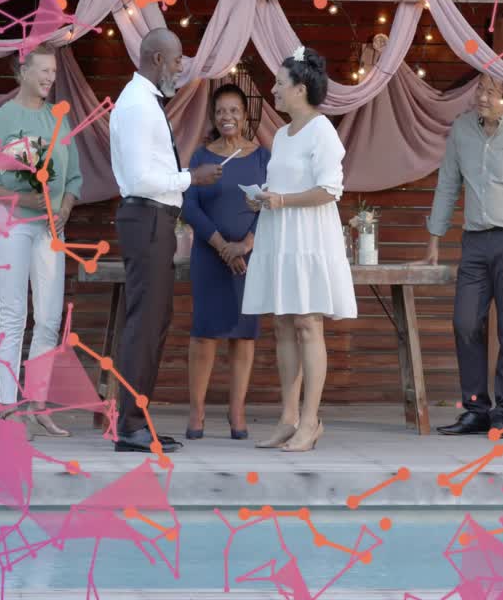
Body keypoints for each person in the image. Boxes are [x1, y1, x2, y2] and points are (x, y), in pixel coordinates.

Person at [418, 72, 503, 437]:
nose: (482, 96)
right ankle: (476, 409)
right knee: (465, 322)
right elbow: (448, 183)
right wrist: (434, 238)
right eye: (480, 89)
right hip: (475, 240)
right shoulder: (462, 130)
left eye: (491, 92)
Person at [109, 27, 223, 454]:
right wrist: (190, 178)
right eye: (177, 60)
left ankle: (137, 420)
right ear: (157, 59)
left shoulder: (143, 102)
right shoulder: (138, 105)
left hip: (154, 220)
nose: (180, 67)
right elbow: (140, 177)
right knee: (144, 323)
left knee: (154, 322)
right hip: (145, 218)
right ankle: (131, 426)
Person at [242, 46, 356, 453]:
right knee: (283, 324)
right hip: (281, 235)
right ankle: (288, 418)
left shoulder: (322, 130)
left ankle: (311, 421)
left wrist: (283, 202)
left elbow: (329, 189)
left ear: (300, 89)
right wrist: (265, 198)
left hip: (308, 236)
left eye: (279, 83)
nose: (272, 89)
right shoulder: (284, 135)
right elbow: (287, 185)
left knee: (308, 322)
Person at [0, 44, 81, 439]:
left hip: (51, 227)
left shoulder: (59, 120)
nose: (50, 77)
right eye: (44, 70)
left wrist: (65, 205)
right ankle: (6, 405)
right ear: (23, 71)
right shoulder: (2, 119)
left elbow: (73, 177)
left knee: (49, 317)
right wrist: (19, 198)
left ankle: (36, 404)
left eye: (54, 71)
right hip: (11, 223)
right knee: (14, 313)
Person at [181, 84, 269, 440]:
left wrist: (246, 245)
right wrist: (222, 246)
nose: (227, 117)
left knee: (244, 336)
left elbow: (271, 206)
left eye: (234, 111)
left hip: (250, 258)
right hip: (209, 254)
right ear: (213, 118)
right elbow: (189, 206)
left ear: (245, 115)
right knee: (205, 334)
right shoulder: (202, 158)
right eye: (220, 112)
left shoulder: (262, 157)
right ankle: (197, 412)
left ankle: (237, 411)